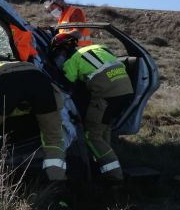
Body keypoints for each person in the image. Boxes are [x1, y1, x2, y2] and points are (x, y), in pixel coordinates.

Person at [49, 33, 133, 181]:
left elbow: (67, 85)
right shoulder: (99, 47)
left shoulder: (72, 61)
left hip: (106, 95)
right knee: (104, 129)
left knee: (92, 135)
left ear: (61, 50)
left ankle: (114, 176)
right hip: (126, 90)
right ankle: (104, 164)